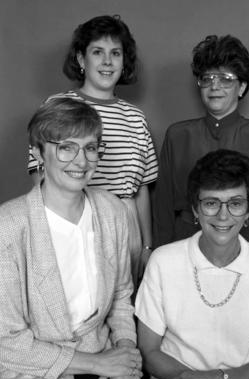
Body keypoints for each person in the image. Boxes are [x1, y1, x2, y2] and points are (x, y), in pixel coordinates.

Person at [0, 97, 147, 379]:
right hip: (35, 376)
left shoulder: (113, 211)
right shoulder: (8, 227)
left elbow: (121, 295)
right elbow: (7, 342)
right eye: (67, 147)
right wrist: (99, 363)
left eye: (90, 147)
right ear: (38, 152)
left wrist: (125, 356)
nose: (81, 161)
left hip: (105, 354)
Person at [28, 15, 158, 290]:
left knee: (122, 308)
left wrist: (146, 246)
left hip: (127, 224)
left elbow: (141, 188)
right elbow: (39, 175)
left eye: (116, 53)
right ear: (81, 59)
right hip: (74, 220)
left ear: (125, 62)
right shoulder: (59, 106)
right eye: (98, 52)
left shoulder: (135, 117)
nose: (107, 62)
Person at [136, 149, 249, 379]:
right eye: (211, 203)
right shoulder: (163, 261)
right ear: (195, 210)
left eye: (235, 203)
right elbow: (150, 350)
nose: (223, 215)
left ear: (247, 211)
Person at [153, 34, 249, 253]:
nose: (214, 86)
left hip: (245, 246)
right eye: (207, 78)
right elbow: (163, 207)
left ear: (242, 86)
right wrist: (162, 255)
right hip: (184, 244)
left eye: (225, 78)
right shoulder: (178, 135)